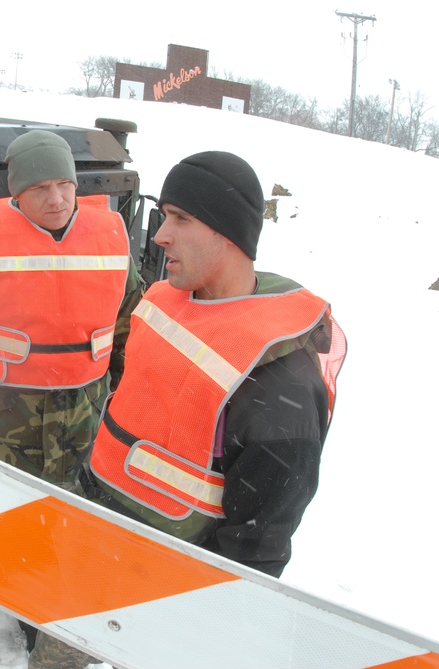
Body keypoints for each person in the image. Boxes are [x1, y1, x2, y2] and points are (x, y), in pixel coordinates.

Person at [0, 129, 144, 669]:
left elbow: (133, 332)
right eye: (41, 187)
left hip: (81, 434)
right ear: (16, 193)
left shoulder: (109, 247)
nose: (58, 199)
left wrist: (125, 421)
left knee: (61, 541)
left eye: (66, 183)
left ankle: (44, 620)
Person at [81, 151, 347, 585]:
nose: (161, 235)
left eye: (181, 218)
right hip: (101, 544)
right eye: (163, 216)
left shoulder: (282, 381)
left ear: (228, 232)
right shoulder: (162, 302)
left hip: (164, 595)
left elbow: (254, 556)